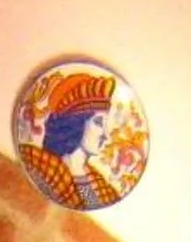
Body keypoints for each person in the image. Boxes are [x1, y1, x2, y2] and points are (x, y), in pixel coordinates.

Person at [19, 70, 130, 210]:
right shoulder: (40, 165)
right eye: (98, 123)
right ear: (76, 122)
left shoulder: (103, 190)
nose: (105, 136)